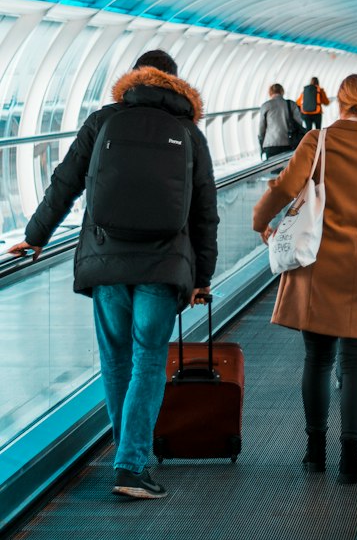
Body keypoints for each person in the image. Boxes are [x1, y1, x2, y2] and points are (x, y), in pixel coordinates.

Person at [5, 49, 218, 501]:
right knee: (147, 361)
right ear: (175, 83)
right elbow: (204, 212)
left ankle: (130, 456)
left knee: (117, 361)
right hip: (163, 265)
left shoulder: (103, 122)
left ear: (134, 79)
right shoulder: (188, 132)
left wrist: (35, 235)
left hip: (106, 259)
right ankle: (130, 463)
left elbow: (66, 180)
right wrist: (204, 276)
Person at [252, 74, 357, 484]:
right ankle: (350, 459)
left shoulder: (317, 142)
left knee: (318, 360)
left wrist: (260, 221)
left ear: (338, 101)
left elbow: (285, 189)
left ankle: (314, 451)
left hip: (317, 265)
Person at [259, 83, 304, 158]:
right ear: (282, 91)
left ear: (270, 93)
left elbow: (261, 128)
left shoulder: (265, 105)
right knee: (288, 168)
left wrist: (262, 143)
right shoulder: (291, 104)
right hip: (289, 142)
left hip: (270, 144)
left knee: (273, 168)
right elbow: (299, 122)